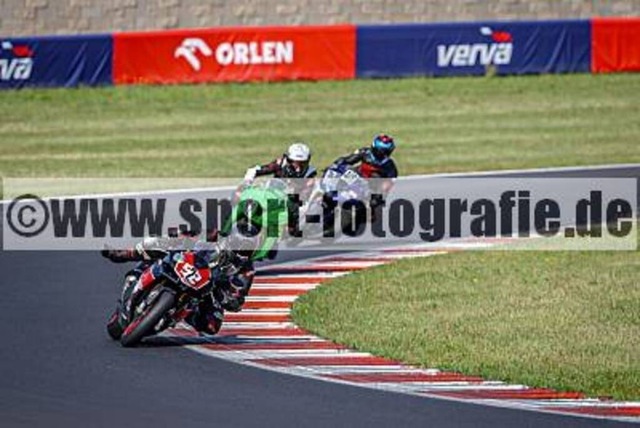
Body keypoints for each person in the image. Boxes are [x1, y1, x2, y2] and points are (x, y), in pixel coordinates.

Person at [102, 227, 258, 336]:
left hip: (208, 289)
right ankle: (122, 254)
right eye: (240, 248)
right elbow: (185, 233)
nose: (241, 254)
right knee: (154, 242)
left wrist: (227, 298)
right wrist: (174, 237)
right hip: (187, 263)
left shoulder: (246, 270)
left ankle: (180, 313)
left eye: (246, 251)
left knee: (211, 326)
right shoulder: (212, 234)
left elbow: (238, 298)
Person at [330, 133, 398, 219]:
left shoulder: (389, 165)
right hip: (357, 174)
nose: (384, 154)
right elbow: (350, 159)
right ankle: (331, 196)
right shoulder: (365, 152)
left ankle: (366, 210)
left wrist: (380, 195)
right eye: (382, 151)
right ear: (375, 148)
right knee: (343, 176)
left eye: (387, 151)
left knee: (371, 208)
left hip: (371, 186)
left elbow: (390, 182)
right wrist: (338, 163)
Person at [243, 142, 317, 182]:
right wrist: (248, 182)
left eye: (303, 163)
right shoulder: (280, 164)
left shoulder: (310, 173)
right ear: (289, 160)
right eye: (296, 163)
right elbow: (253, 170)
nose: (298, 169)